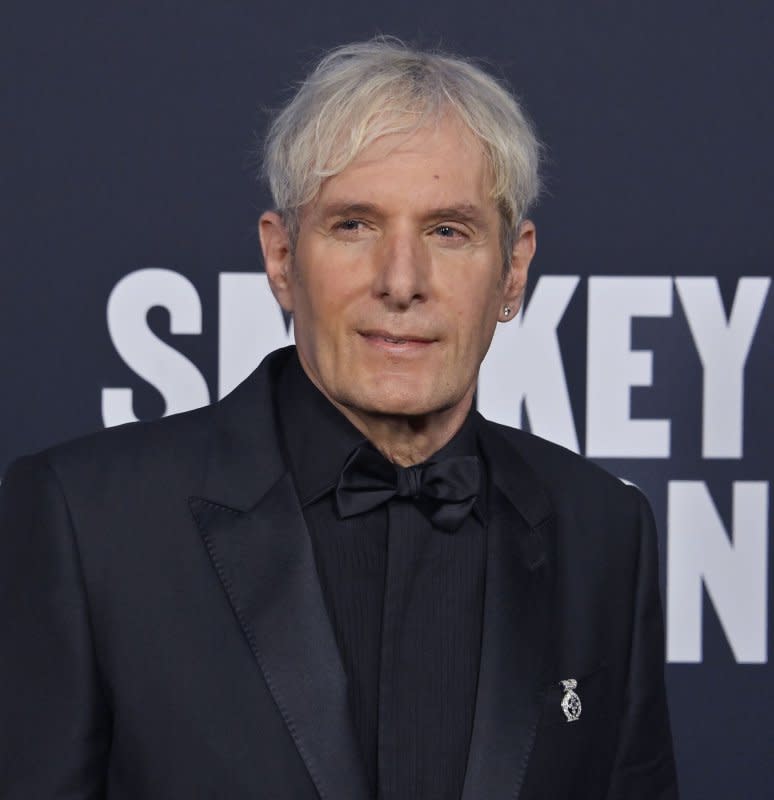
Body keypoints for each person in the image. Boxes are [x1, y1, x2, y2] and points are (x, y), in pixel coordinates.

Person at [0, 38, 678, 799]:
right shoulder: (89, 523)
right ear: (282, 258)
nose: (401, 281)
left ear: (513, 271)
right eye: (354, 225)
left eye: (447, 231)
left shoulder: (606, 533)